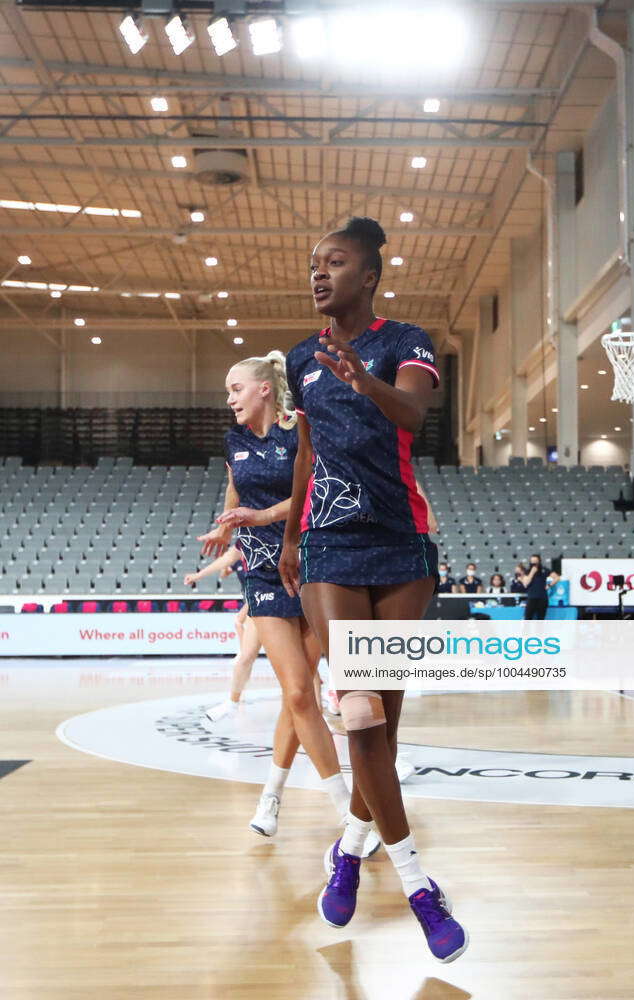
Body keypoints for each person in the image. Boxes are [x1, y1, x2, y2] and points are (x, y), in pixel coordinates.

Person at [280, 216, 468, 962]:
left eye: (335, 262)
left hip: (401, 550)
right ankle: (422, 889)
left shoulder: (405, 340)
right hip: (328, 547)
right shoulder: (301, 359)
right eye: (314, 263)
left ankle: (349, 853)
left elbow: (416, 413)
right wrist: (293, 534)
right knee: (357, 713)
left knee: (380, 733)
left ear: (369, 277)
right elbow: (305, 450)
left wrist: (366, 378)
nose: (319, 274)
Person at [197, 351, 377, 851]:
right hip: (261, 574)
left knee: (298, 696)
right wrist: (225, 525)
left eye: (235, 388)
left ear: (264, 390)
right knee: (298, 690)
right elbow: (235, 494)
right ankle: (345, 809)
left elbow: (315, 491)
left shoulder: (299, 428)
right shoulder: (234, 442)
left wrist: (260, 516)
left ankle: (271, 794)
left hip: (311, 568)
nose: (229, 398)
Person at [183, 546, 262, 722]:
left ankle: (331, 695)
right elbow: (226, 561)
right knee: (245, 657)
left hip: (294, 597)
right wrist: (198, 575)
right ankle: (233, 702)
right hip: (261, 598)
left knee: (306, 666)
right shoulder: (247, 543)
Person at [522, 553, 549, 620]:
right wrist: (532, 573)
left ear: (539, 562)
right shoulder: (528, 571)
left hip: (542, 598)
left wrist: (549, 585)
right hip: (531, 597)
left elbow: (556, 577)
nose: (534, 564)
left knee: (541, 619)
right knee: (528, 618)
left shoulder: (544, 570)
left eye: (535, 563)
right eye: (532, 562)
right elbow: (525, 583)